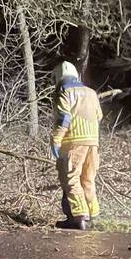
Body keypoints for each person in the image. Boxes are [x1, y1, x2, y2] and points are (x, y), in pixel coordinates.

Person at [50, 61, 103, 230]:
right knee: (88, 179)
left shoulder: (64, 90)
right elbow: (99, 116)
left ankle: (79, 217)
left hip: (73, 141)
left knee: (71, 179)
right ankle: (93, 215)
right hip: (93, 142)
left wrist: (56, 140)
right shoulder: (91, 92)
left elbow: (63, 118)